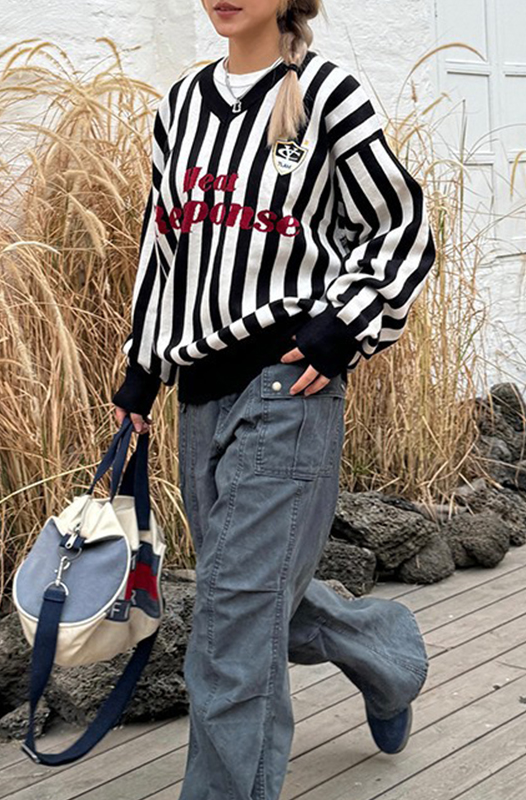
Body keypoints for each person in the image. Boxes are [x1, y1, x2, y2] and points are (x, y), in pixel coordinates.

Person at [113, 2, 436, 798]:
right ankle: (389, 654)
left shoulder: (328, 94)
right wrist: (142, 370)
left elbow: (402, 228)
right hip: (199, 394)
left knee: (232, 626)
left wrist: (343, 328)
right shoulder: (181, 105)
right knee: (253, 601)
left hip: (288, 389)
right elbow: (164, 249)